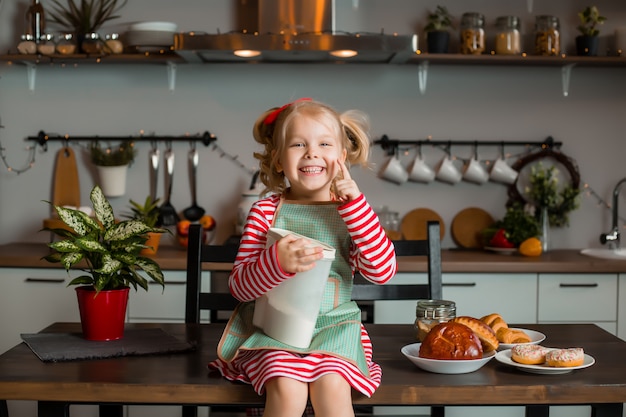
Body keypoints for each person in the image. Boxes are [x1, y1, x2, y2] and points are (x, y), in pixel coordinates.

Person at [209, 98, 397, 417]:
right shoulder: (265, 212)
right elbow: (239, 288)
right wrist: (276, 264)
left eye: (324, 143)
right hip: (274, 331)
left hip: (334, 328)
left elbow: (382, 272)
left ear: (341, 157)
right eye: (298, 144)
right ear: (279, 160)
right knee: (286, 385)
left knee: (333, 386)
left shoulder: (352, 211)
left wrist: (356, 206)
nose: (311, 152)